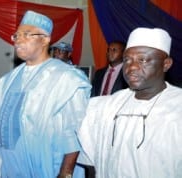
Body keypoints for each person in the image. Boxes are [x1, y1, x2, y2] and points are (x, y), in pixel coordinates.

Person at [0, 10, 91, 178]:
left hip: (48, 168)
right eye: (17, 35)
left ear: (45, 39)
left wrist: (65, 174)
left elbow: (75, 133)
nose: (19, 40)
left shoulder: (67, 79)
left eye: (27, 34)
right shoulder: (6, 81)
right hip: (8, 169)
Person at [78, 27, 182, 178]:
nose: (132, 67)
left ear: (166, 64)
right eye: (127, 60)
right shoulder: (107, 106)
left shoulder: (177, 107)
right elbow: (90, 158)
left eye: (143, 60)